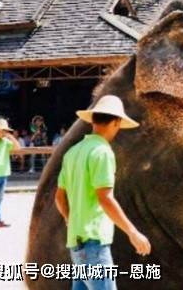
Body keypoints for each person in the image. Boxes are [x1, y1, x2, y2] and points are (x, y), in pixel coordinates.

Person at [55, 95, 151, 288]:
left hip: (76, 242)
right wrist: (133, 232)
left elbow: (59, 196)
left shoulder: (72, 152)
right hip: (95, 244)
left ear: (93, 120)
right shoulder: (103, 152)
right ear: (116, 122)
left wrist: (69, 218)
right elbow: (105, 198)